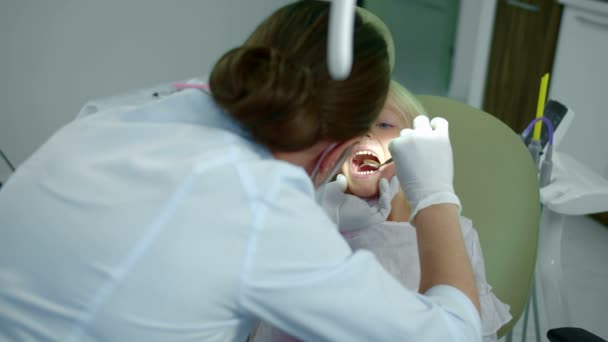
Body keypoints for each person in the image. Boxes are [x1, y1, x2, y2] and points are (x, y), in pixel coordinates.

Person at [0, 1, 481, 341]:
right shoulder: (260, 207)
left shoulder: (109, 120)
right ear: (338, 146)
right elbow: (455, 333)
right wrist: (435, 191)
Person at [251, 81, 512, 342]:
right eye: (353, 125)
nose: (364, 134)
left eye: (384, 125)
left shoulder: (458, 235)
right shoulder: (310, 223)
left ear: (418, 146)